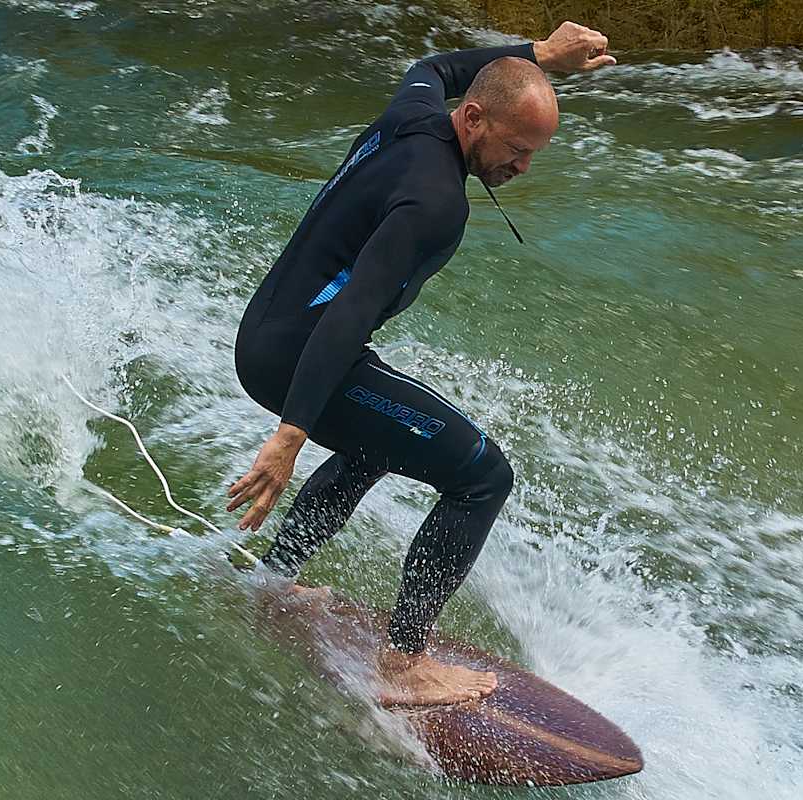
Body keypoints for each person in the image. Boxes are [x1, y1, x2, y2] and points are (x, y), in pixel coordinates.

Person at [228, 21, 615, 707]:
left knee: (379, 441)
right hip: (306, 351)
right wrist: (290, 436)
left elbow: (434, 66)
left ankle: (272, 583)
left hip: (267, 332)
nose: (523, 168)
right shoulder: (435, 202)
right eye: (518, 150)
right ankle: (403, 664)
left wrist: (541, 56)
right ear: (473, 119)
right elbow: (352, 311)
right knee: (482, 475)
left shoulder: (412, 113)